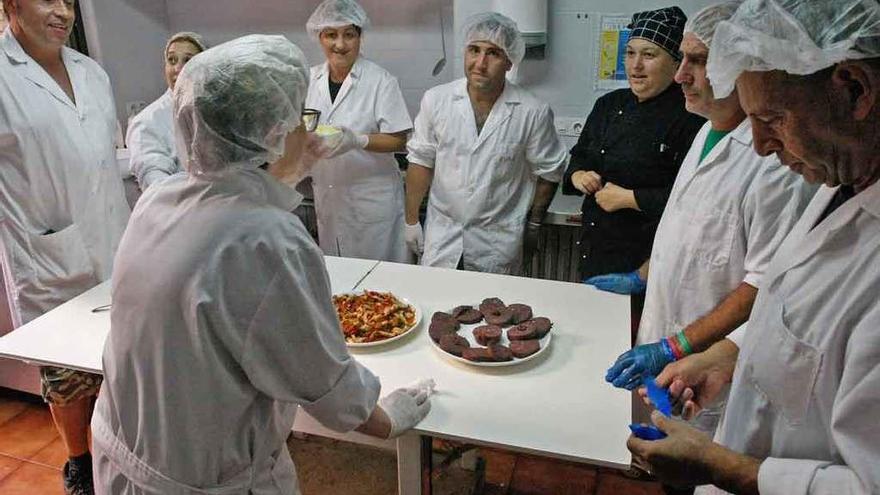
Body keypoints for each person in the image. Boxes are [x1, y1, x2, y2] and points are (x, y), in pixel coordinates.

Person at [91, 35, 433, 495]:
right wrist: (387, 419)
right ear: (271, 132)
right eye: (300, 121)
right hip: (202, 481)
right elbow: (324, 384)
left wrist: (283, 168)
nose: (309, 134)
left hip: (121, 456)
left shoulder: (160, 197)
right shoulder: (266, 239)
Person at [625, 1, 880, 494]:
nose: (760, 143)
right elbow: (797, 318)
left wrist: (725, 468)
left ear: (854, 89)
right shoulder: (837, 186)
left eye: (773, 117)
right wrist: (729, 356)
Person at [605, 1, 816, 401]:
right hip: (665, 332)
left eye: (698, 61)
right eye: (682, 58)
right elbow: (686, 229)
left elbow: (764, 283)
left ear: (743, 67)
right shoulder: (706, 131)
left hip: (707, 370)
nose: (681, 75)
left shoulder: (775, 162)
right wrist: (643, 276)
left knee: (690, 455)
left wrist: (677, 346)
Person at [0, 1, 130, 493]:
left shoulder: (92, 72)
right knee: (66, 377)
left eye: (68, 0)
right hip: (47, 255)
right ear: (11, 3)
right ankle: (79, 462)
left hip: (114, 245)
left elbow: (101, 154)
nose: (62, 12)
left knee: (121, 364)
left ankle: (122, 455)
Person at [405, 12, 567, 274]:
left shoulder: (532, 111)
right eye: (474, 50)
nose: (480, 63)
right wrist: (411, 220)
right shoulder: (436, 100)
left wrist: (534, 225)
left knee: (493, 312)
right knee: (438, 307)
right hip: (442, 236)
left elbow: (550, 171)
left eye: (493, 53)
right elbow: (421, 160)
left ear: (509, 62)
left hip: (497, 241)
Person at [563, 6, 705, 294]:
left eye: (649, 55)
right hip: (596, 251)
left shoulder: (691, 116)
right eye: (630, 53)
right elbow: (578, 158)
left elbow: (697, 202)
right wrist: (579, 176)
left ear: (676, 62)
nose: (635, 65)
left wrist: (631, 198)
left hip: (648, 265)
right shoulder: (607, 105)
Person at [304, 0, 412, 262]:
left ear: (360, 37)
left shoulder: (380, 81)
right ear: (319, 37)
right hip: (329, 199)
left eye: (349, 35)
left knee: (381, 281)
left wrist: (357, 140)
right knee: (340, 281)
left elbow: (399, 140)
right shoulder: (309, 79)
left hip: (372, 202)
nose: (340, 44)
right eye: (331, 35)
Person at [126, 31, 206, 190]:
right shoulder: (147, 122)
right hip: (180, 209)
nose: (178, 68)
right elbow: (155, 183)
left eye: (188, 60)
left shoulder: (211, 110)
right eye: (172, 60)